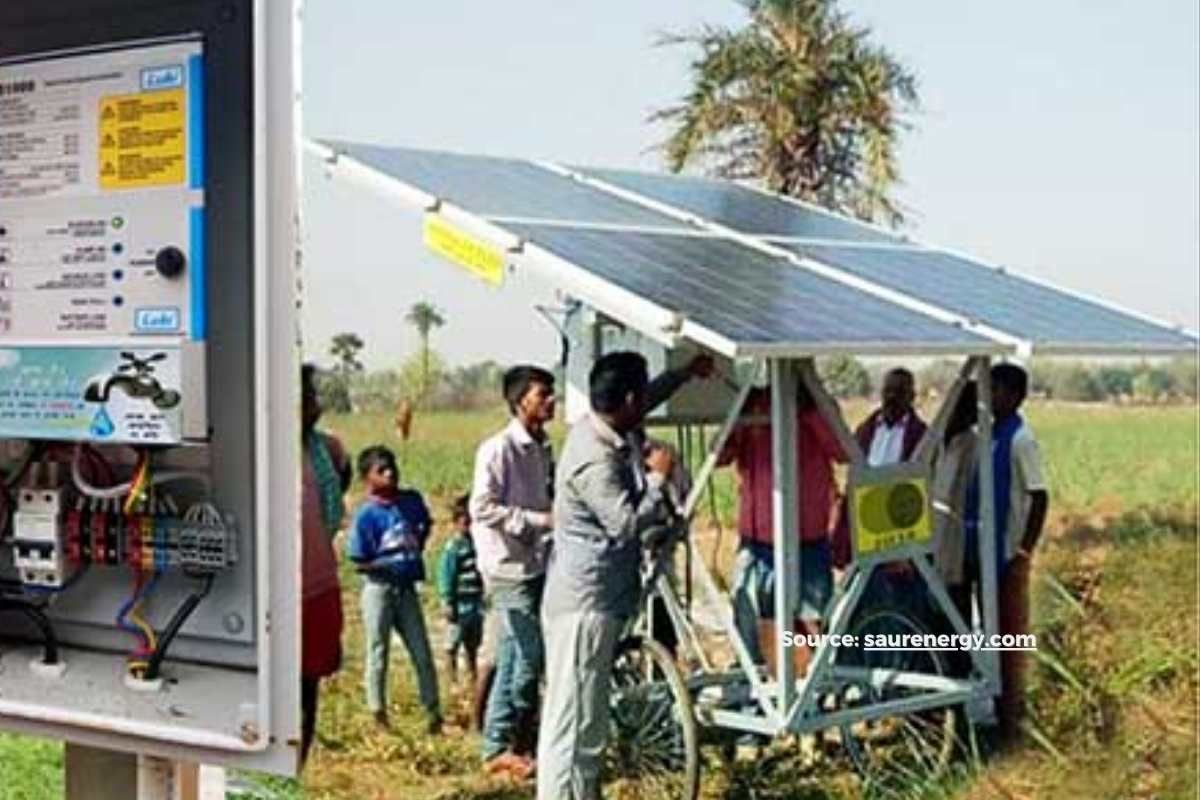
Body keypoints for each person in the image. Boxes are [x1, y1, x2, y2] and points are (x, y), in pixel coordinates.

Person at [537, 351, 712, 800]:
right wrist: (657, 480)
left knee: (588, 720)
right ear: (628, 400)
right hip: (585, 605)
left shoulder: (607, 426)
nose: (646, 403)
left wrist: (684, 374)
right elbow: (625, 523)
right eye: (641, 394)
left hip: (601, 598)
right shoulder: (594, 459)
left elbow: (646, 397)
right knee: (572, 726)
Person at [717, 382, 846, 679]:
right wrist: (740, 416)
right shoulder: (753, 405)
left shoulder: (819, 405)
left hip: (807, 541)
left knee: (809, 627)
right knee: (751, 623)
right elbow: (721, 455)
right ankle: (753, 691)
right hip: (758, 543)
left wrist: (810, 408)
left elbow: (842, 450)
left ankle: (810, 693)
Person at [471, 365, 557, 778]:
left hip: (533, 561)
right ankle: (518, 743)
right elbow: (482, 507)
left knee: (512, 656)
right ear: (521, 401)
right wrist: (538, 521)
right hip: (507, 566)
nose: (551, 401)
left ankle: (497, 746)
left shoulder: (541, 448)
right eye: (543, 395)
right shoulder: (498, 449)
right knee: (528, 656)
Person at [966, 363, 1048, 742]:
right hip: (983, 551)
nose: (989, 398)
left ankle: (1013, 723)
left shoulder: (1020, 440)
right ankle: (997, 713)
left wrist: (1023, 551)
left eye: (995, 390)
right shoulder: (988, 436)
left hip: (1007, 554)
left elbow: (1039, 497)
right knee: (990, 632)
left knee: (1009, 637)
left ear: (1015, 396)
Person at [346, 444, 442, 734]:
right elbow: (359, 559)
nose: (390, 474)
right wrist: (390, 564)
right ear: (367, 478)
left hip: (406, 589)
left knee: (421, 651)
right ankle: (378, 713)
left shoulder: (410, 502)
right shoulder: (367, 515)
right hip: (379, 588)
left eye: (392, 467)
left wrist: (414, 552)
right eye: (381, 470)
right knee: (378, 650)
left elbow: (425, 524)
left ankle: (433, 712)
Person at [299, 364, 351, 766]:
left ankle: (296, 767)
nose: (314, 405)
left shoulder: (327, 450)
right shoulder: (262, 449)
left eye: (313, 396)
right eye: (306, 397)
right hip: (275, 593)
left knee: (307, 688)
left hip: (315, 585)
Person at [831, 367, 928, 569]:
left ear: (911, 396)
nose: (892, 396)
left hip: (899, 524)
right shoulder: (865, 429)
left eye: (899, 391)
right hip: (865, 522)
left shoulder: (920, 436)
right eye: (888, 390)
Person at [437, 493, 485, 687]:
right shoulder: (454, 548)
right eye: (465, 523)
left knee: (473, 643)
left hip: (475, 601)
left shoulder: (477, 545)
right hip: (459, 603)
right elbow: (446, 575)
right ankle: (452, 680)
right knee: (452, 643)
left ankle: (472, 676)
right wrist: (447, 600)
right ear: (456, 523)